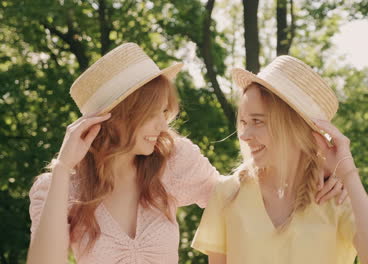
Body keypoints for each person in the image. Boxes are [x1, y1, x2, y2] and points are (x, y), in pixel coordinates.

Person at [26, 44, 345, 264]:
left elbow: (238, 196)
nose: (163, 124)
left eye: (165, 111)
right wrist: (63, 167)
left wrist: (319, 171)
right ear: (117, 117)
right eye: (153, 113)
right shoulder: (56, 188)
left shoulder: (173, 160)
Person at [191, 55, 368, 264]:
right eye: (244, 122)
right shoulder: (227, 194)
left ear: (296, 128)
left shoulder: (338, 198)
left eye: (258, 121)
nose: (245, 135)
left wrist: (348, 173)